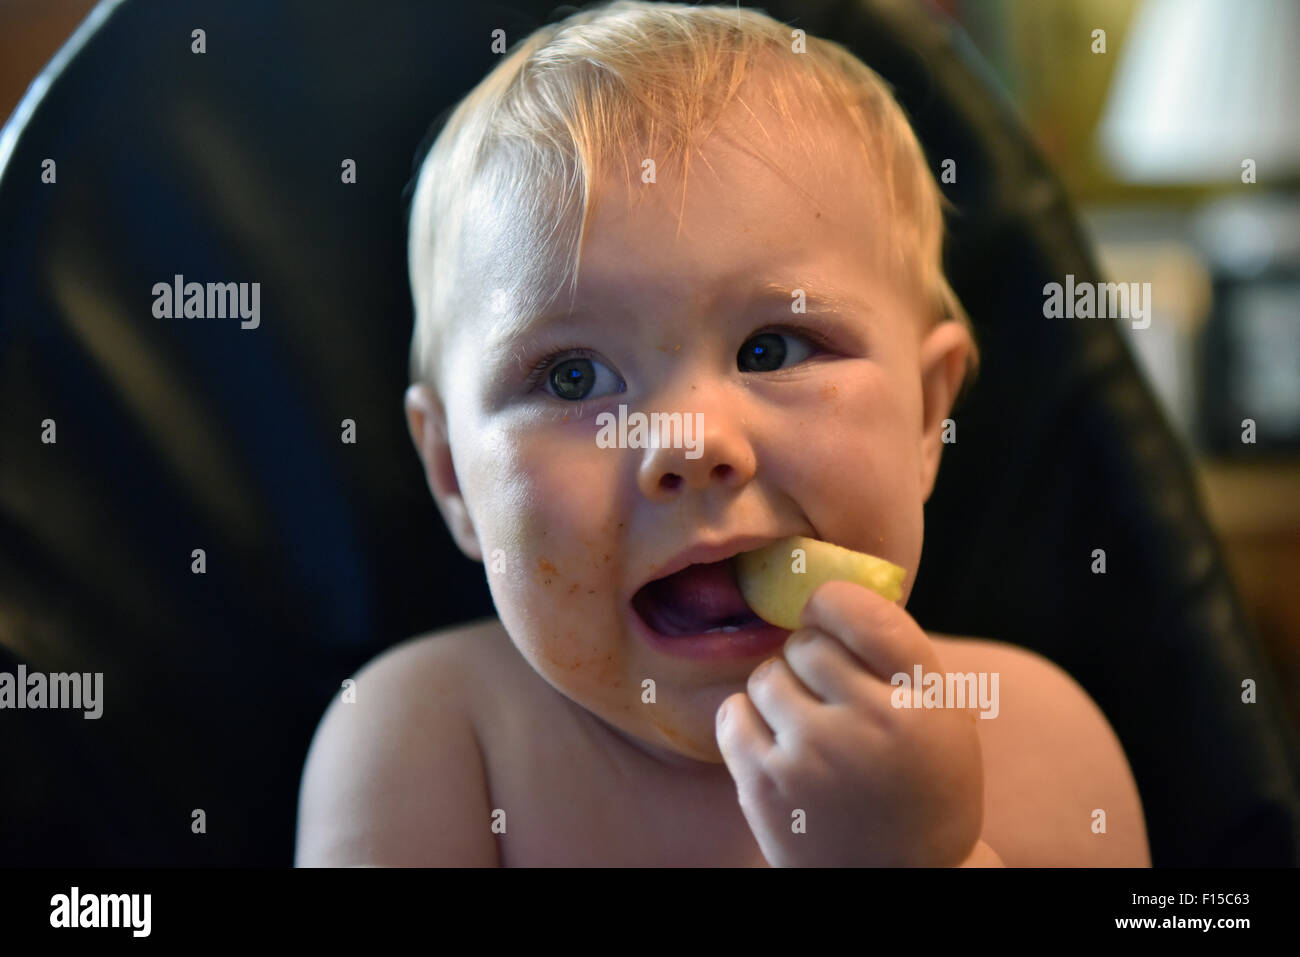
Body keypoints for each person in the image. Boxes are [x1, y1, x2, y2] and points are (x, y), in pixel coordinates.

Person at [295, 0, 1149, 866]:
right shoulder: (428, 743)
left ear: (928, 417)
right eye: (573, 377)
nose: (691, 441)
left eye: (771, 348)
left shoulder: (1031, 736)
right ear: (451, 475)